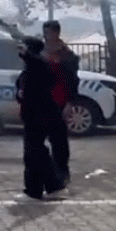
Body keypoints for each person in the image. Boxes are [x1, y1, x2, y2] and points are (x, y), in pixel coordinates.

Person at [16, 36, 69, 200]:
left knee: (35, 152)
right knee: (34, 153)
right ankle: (41, 188)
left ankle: (48, 188)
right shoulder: (31, 68)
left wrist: (27, 54)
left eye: (24, 48)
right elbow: (22, 88)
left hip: (40, 116)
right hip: (33, 116)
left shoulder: (40, 64)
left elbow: (35, 62)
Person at [41, 19, 79, 189]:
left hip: (60, 102)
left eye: (49, 32)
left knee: (59, 142)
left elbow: (73, 81)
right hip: (42, 103)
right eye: (45, 32)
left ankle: (62, 173)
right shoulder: (40, 52)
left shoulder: (67, 56)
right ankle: (46, 174)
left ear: (56, 33)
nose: (47, 36)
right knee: (39, 142)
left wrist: (70, 103)